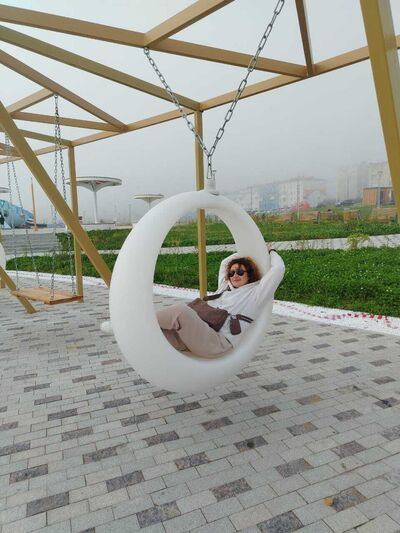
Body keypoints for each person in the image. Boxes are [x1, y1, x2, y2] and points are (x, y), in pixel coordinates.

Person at [156, 245, 285, 358]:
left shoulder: (255, 294)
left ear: (250, 274)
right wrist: (244, 251)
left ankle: (144, 320)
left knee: (180, 311)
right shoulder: (224, 287)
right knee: (155, 334)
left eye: (240, 272)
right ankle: (143, 326)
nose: (235, 275)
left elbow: (278, 269)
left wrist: (269, 251)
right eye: (232, 272)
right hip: (192, 338)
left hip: (216, 343)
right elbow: (225, 262)